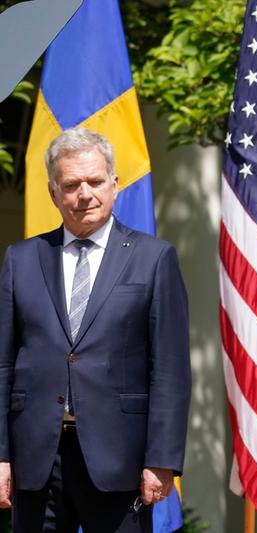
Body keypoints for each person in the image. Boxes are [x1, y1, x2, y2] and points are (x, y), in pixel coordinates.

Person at [0, 128, 191, 532]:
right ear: (54, 194)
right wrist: (0, 455)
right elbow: (2, 364)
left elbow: (169, 369)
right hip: (36, 458)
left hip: (119, 458)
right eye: (71, 185)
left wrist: (162, 458)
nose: (84, 193)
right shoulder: (21, 259)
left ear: (116, 185)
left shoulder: (154, 259)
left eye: (95, 181)